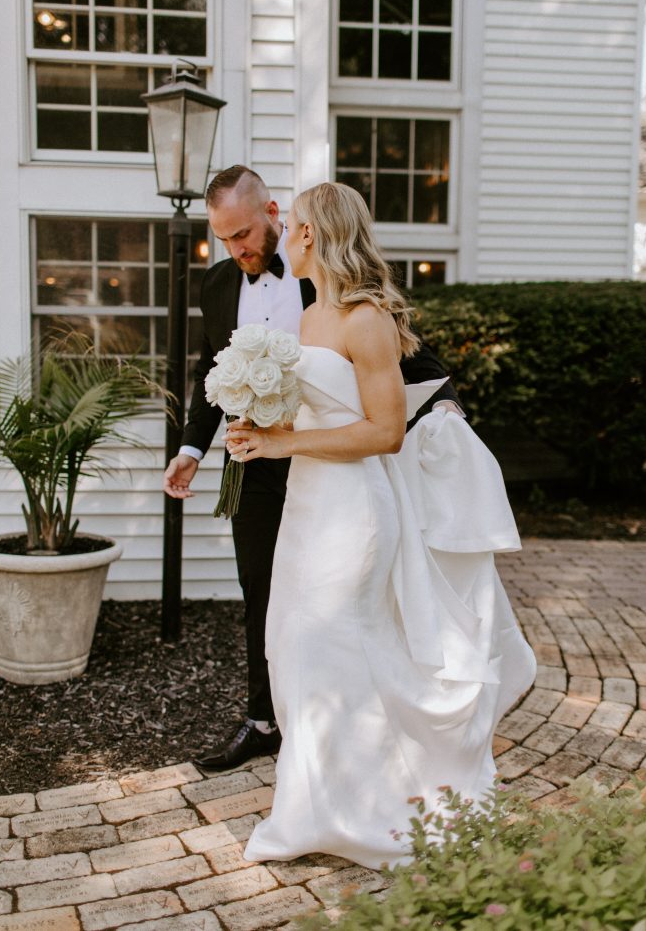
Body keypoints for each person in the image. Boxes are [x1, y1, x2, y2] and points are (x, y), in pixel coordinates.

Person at [226, 181, 537, 870]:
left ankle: (384, 807)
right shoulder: (311, 319)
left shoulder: (367, 320)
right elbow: (315, 415)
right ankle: (319, 809)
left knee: (332, 647)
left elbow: (386, 431)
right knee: (294, 646)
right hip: (309, 510)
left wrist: (283, 446)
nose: (284, 234)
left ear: (312, 234)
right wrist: (258, 427)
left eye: (294, 223)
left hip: (355, 515)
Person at [162, 166, 463, 772]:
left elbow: (401, 360)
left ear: (277, 215)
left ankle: (352, 736)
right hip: (253, 462)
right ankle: (265, 720)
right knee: (265, 595)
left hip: (326, 462)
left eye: (244, 233)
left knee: (337, 601)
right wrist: (192, 448)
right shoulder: (218, 284)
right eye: (223, 239)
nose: (237, 249)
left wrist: (448, 412)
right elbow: (207, 372)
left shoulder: (325, 282)